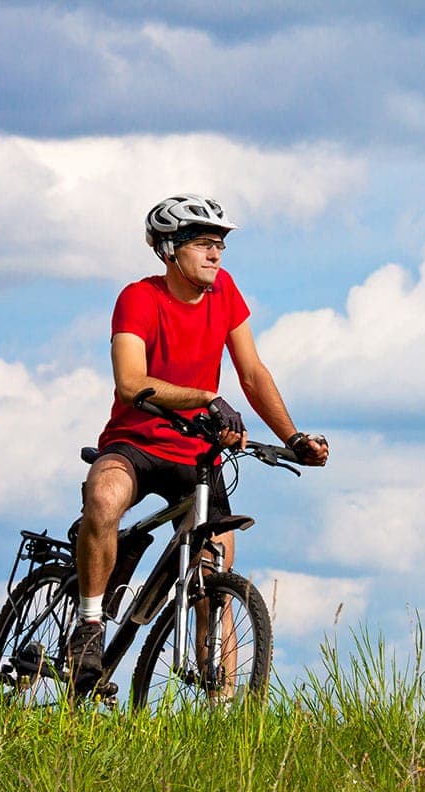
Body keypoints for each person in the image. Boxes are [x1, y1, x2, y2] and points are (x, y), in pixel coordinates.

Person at [68, 193, 329, 689]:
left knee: (213, 578)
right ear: (169, 249)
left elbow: (252, 373)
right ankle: (90, 624)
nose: (215, 254)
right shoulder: (139, 299)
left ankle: (223, 710)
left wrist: (293, 437)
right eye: (203, 244)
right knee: (103, 497)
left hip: (197, 457)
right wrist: (206, 398)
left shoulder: (224, 291)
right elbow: (130, 382)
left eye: (220, 245)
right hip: (135, 444)